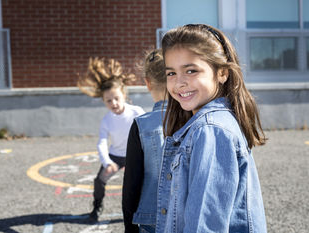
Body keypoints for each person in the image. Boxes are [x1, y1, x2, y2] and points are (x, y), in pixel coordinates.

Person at [156, 24, 268, 232]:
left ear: (222, 73)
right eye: (171, 73)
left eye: (191, 70)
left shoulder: (211, 130)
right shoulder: (209, 125)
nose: (179, 83)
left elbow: (205, 225)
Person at [77, 57, 145, 222]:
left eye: (116, 98)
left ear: (124, 95)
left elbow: (147, 136)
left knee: (142, 184)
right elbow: (101, 143)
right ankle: (97, 206)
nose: (113, 103)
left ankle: (143, 210)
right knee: (99, 180)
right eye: (108, 100)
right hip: (115, 155)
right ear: (103, 101)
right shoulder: (106, 120)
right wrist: (107, 162)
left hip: (134, 156)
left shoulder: (137, 112)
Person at [122, 49, 167, 233]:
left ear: (148, 83)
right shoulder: (195, 119)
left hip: (152, 220)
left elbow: (131, 184)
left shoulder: (142, 125)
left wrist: (129, 228)